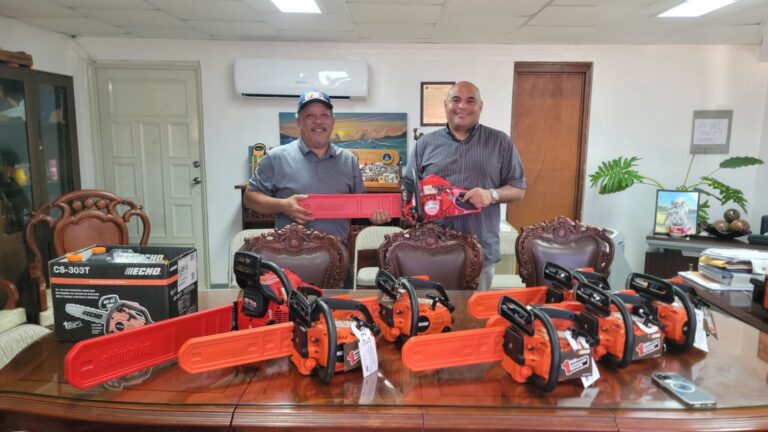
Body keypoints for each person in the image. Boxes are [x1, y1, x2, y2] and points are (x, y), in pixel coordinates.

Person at [244, 90, 390, 285]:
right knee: (288, 314)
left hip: (337, 259)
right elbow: (250, 197)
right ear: (299, 122)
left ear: (332, 121)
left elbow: (360, 205)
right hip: (290, 260)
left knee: (336, 313)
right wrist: (283, 205)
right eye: (310, 116)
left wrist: (375, 214)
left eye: (324, 115)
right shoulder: (276, 158)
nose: (318, 121)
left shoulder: (348, 160)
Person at [403, 81, 526, 291]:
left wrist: (492, 195)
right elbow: (408, 188)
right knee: (433, 315)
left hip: (481, 251)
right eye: (456, 100)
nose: (462, 106)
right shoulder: (425, 144)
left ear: (481, 106)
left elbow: (518, 189)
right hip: (432, 249)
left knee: (474, 317)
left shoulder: (500, 142)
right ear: (445, 105)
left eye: (471, 101)